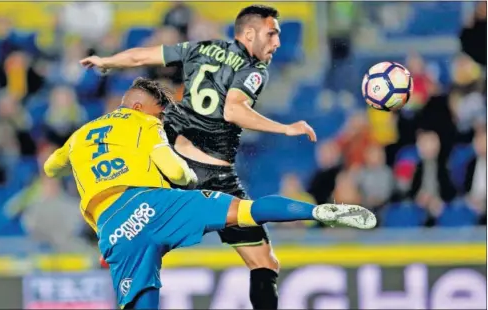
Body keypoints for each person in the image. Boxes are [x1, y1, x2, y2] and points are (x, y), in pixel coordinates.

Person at [44, 78, 376, 310]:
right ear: (138, 105)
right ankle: (316, 212)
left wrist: (73, 163)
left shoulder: (79, 135)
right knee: (245, 212)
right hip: (149, 205)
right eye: (159, 113)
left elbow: (50, 167)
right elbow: (174, 170)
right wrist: (189, 181)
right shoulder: (143, 124)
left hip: (113, 230)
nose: (162, 119)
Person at [79, 6, 317, 309]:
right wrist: (284, 128)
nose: (277, 43)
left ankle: (111, 241)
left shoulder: (199, 48)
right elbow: (233, 110)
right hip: (213, 173)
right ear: (249, 33)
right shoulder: (254, 70)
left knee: (137, 219)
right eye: (271, 34)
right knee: (264, 264)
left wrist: (106, 61)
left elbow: (141, 57)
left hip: (173, 162)